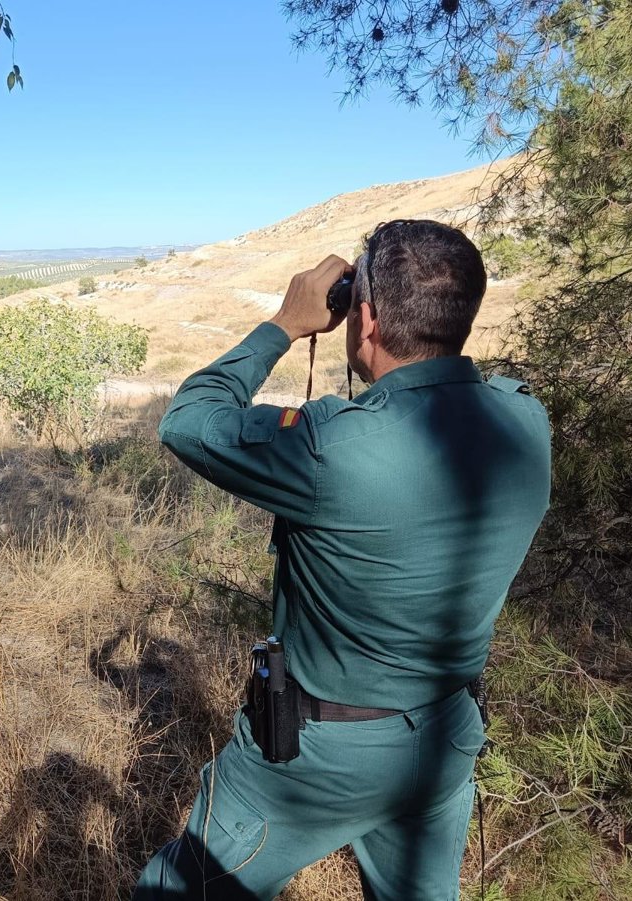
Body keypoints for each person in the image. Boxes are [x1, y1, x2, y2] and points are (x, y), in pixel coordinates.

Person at [132, 220, 551, 900]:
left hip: (316, 756)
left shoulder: (331, 447)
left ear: (367, 318)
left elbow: (187, 420)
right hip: (444, 737)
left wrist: (285, 324)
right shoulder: (525, 420)